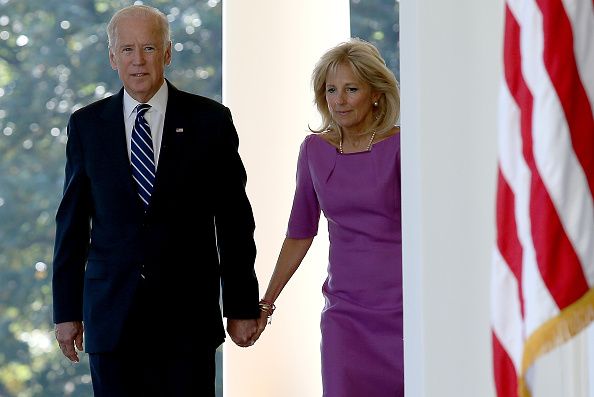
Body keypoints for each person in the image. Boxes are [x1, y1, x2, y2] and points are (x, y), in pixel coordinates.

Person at [52, 5, 260, 396]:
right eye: (127, 49)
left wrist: (242, 305)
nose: (138, 60)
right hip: (111, 316)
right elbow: (72, 226)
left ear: (167, 53)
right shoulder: (86, 125)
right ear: (112, 57)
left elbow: (234, 221)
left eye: (148, 48)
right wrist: (66, 312)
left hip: (188, 320)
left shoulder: (210, 121)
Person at [254, 38, 402, 396]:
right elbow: (300, 232)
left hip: (403, 310)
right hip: (344, 313)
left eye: (352, 89)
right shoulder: (314, 150)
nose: (339, 100)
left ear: (376, 94)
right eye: (331, 89)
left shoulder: (403, 146)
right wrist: (266, 303)